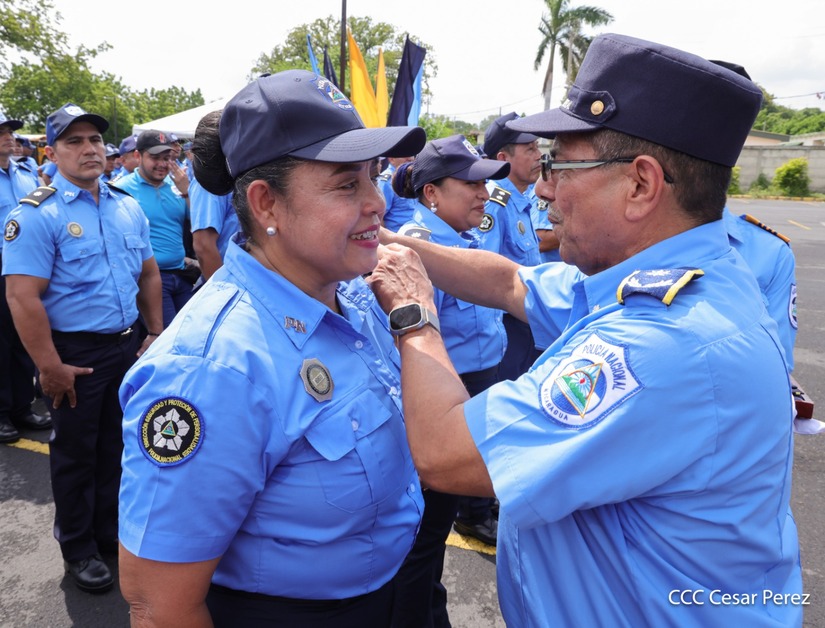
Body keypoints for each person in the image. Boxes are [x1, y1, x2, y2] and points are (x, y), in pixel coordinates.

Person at [369, 33, 803, 625]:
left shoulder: (665, 346)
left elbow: (447, 453)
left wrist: (414, 314)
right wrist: (392, 246)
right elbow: (509, 283)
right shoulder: (657, 277)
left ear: (641, 185)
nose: (542, 188)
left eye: (560, 166)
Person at [117, 70, 427, 627]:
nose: (376, 202)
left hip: (389, 593)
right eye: (345, 184)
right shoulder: (213, 368)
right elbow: (160, 604)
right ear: (266, 205)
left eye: (373, 177)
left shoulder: (352, 293)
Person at [3, 102, 163, 593]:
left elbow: (148, 273)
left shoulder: (125, 205)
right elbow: (21, 296)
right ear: (52, 152)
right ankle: (78, 547)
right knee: (75, 455)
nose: (89, 149)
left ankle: (108, 532)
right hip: (74, 353)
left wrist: (154, 332)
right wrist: (49, 367)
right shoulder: (36, 215)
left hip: (126, 345)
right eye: (74, 141)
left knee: (119, 448)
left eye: (95, 139)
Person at [390, 134, 509, 626]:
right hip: (440, 400)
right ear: (431, 193)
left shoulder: (467, 240)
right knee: (426, 527)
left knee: (439, 525)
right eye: (471, 184)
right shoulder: (410, 253)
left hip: (480, 384)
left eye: (485, 184)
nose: (483, 195)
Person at [480, 111, 544, 381]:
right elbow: (484, 273)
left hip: (527, 318)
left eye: (537, 146)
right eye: (529, 148)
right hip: (507, 324)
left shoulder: (519, 199)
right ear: (503, 159)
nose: (539, 154)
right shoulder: (495, 204)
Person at [112, 130, 196, 327]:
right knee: (167, 339)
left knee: (189, 332)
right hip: (150, 279)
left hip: (182, 275)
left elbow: (196, 222)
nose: (162, 164)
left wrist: (187, 193)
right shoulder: (121, 189)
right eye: (154, 157)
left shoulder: (176, 184)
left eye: (166, 158)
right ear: (137, 156)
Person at [0, 112, 49, 443]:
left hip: (25, 267)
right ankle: (1, 412)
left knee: (21, 340)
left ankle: (20, 407)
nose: (9, 137)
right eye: (2, 132)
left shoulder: (26, 172)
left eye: (9, 132)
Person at [189, 112, 240, 282]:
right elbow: (203, 245)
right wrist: (223, 290)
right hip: (230, 285)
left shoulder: (238, 175)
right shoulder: (210, 180)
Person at [377, 155, 416, 231]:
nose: (410, 158)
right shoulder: (386, 182)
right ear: (392, 159)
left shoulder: (412, 177)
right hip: (398, 236)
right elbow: (378, 216)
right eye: (404, 155)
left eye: (412, 155)